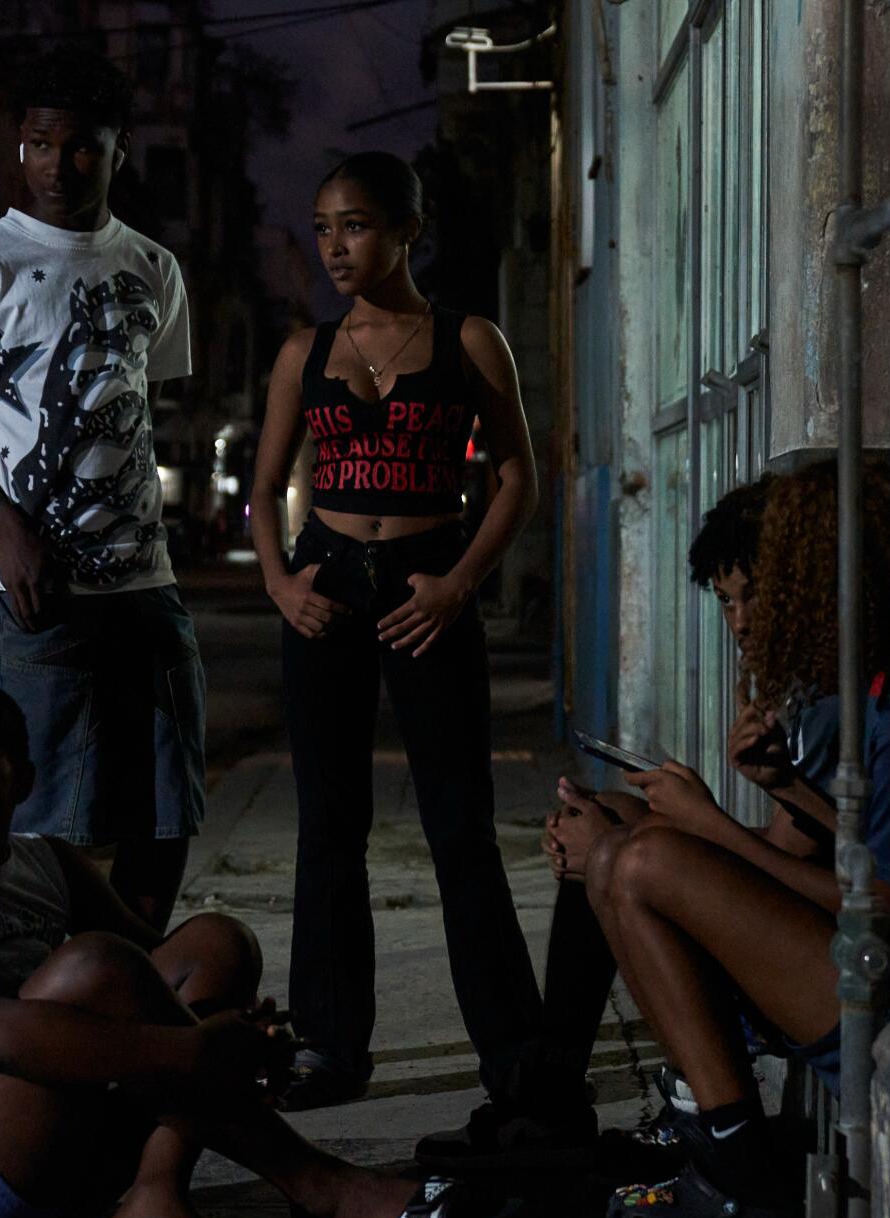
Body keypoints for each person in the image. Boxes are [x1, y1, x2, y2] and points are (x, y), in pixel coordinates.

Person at [0, 677, 518, 1218]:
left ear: (21, 780)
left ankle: (152, 1201)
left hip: (59, 1163)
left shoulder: (45, 861)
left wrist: (245, 1034)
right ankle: (323, 1188)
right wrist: (200, 1052)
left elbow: (162, 976)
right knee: (97, 967)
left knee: (215, 945)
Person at [246, 151, 578, 1141]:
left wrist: (459, 583)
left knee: (459, 828)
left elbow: (517, 473)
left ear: (404, 231)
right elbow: (266, 489)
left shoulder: (468, 339)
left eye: (353, 224)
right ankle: (327, 1047)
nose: (335, 247)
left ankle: (515, 1056)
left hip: (430, 580)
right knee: (327, 827)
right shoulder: (302, 353)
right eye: (321, 227)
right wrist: (278, 584)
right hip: (327, 588)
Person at [554, 459, 890, 1218]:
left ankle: (738, 1169)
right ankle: (611, 1100)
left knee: (640, 860)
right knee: (615, 837)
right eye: (729, 602)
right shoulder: (829, 697)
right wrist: (776, 788)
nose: (743, 621)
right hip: (838, 957)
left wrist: (709, 830)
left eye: (765, 592)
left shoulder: (880, 703)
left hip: (881, 991)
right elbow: (815, 852)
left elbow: (888, 900)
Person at [0, 45, 203, 931]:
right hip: (28, 586)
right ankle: (39, 1001)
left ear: (119, 152)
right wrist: (9, 531)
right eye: (41, 143)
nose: (58, 164)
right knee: (42, 817)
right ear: (19, 148)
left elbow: (131, 413)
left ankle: (136, 979)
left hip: (142, 581)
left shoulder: (154, 269)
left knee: (165, 800)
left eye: (83, 146)